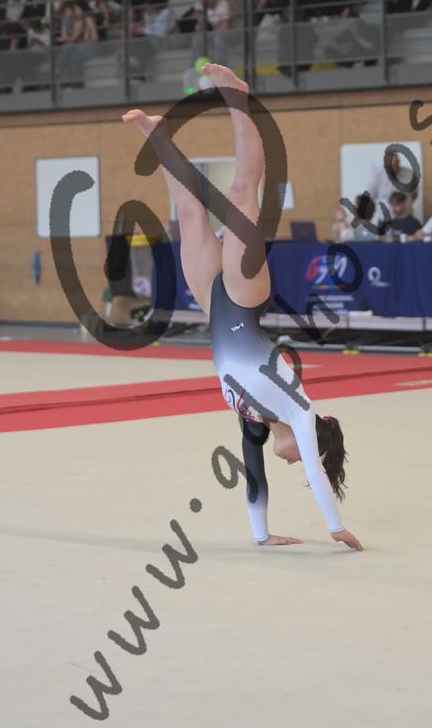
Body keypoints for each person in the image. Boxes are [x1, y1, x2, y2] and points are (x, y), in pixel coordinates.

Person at [121, 66, 363, 550]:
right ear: (313, 440)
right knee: (240, 194)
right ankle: (238, 98)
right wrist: (336, 528)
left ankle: (157, 135)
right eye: (300, 457)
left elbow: (254, 475)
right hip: (245, 297)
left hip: (215, 306)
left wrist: (262, 535)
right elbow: (316, 471)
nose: (292, 461)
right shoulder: (299, 408)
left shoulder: (254, 421)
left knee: (189, 214)